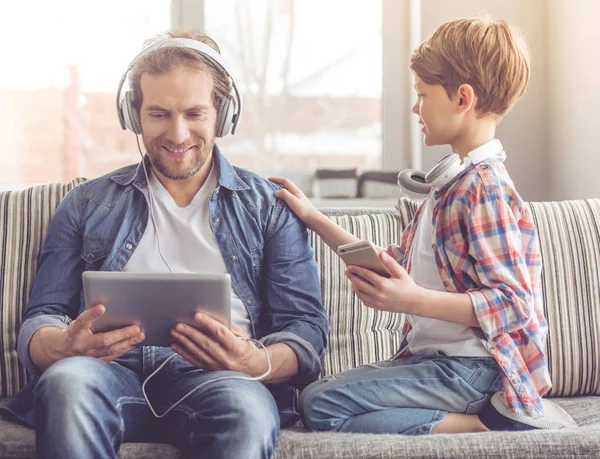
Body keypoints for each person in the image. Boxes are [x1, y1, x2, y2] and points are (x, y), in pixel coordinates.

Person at [0, 29, 328, 459]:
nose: (177, 135)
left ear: (222, 115)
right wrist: (62, 345)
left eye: (194, 113)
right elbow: (41, 317)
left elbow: (304, 330)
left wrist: (253, 363)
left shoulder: (269, 207)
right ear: (134, 116)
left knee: (248, 412)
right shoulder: (85, 203)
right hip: (104, 370)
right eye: (159, 114)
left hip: (220, 378)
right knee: (66, 382)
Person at [271, 15, 574, 435]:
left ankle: (492, 424)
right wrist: (313, 217)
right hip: (438, 364)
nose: (416, 108)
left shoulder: (483, 189)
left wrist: (412, 300)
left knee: (321, 404)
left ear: (462, 98)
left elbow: (513, 304)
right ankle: (481, 420)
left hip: (472, 369)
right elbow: (391, 262)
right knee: (310, 396)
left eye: (422, 94)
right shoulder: (449, 188)